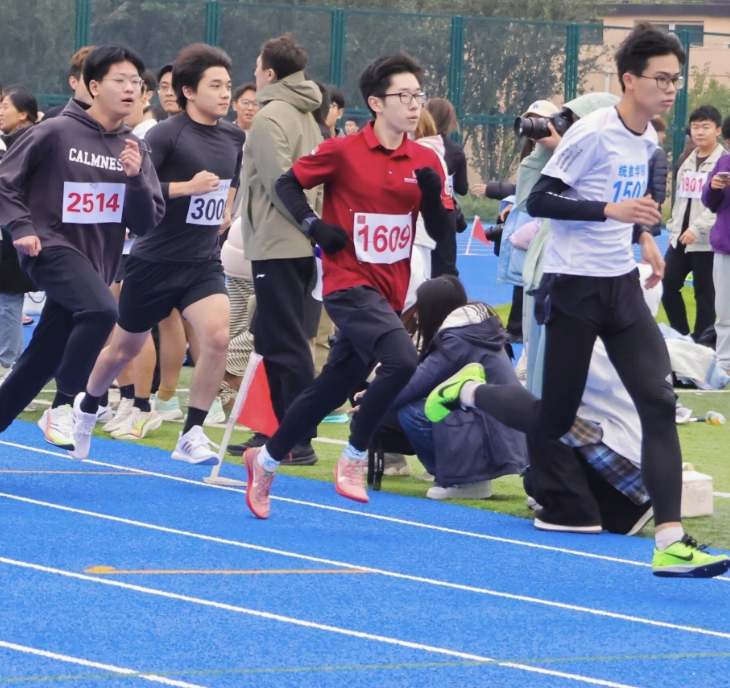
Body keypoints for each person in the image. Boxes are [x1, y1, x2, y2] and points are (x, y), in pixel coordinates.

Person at [425, 23, 730, 578]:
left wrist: (642, 235)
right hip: (572, 288)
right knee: (553, 417)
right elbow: (541, 201)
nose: (671, 89)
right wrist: (608, 212)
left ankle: (670, 540)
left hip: (621, 287)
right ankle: (467, 390)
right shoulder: (591, 133)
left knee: (658, 402)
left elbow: (629, 200)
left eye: (675, 79)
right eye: (661, 79)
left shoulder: (647, 138)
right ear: (628, 79)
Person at [243, 52, 455, 519]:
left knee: (331, 386)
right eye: (404, 95)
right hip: (347, 283)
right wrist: (314, 226)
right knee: (402, 360)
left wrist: (431, 200)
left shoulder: (426, 159)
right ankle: (355, 454)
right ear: (376, 103)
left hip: (390, 291)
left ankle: (266, 459)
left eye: (418, 95)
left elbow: (443, 232)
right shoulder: (342, 150)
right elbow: (286, 184)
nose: (414, 104)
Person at [80, 43, 243, 463]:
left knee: (217, 337)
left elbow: (232, 180)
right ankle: (87, 404)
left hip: (203, 262)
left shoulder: (234, 136)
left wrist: (226, 207)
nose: (226, 93)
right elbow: (136, 190)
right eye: (215, 85)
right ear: (189, 91)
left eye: (228, 85)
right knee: (123, 350)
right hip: (154, 262)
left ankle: (192, 433)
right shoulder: (165, 135)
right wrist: (189, 188)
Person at [0, 45, 164, 457]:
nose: (130, 89)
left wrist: (135, 180)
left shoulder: (135, 149)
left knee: (42, 356)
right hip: (50, 248)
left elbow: (146, 223)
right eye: (119, 80)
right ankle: (63, 405)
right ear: (93, 86)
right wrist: (21, 227)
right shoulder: (54, 131)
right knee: (103, 311)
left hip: (95, 264)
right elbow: (5, 181)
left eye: (136, 82)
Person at [239, 33, 324, 464]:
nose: (254, 72)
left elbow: (280, 184)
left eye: (257, 66)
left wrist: (307, 224)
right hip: (296, 240)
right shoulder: (309, 116)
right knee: (275, 338)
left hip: (279, 241)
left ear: (270, 74)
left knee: (285, 342)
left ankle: (297, 437)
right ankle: (276, 431)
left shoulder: (270, 116)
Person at [396, 276, 527, 499]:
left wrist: (373, 401)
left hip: (491, 428)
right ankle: (462, 475)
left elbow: (418, 383)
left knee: (412, 411)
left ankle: (464, 480)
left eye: (420, 308)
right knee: (411, 403)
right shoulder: (472, 329)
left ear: (435, 308)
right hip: (501, 425)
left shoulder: (458, 339)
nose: (416, 315)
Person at [662, 105, 726, 341]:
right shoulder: (687, 160)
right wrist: (674, 229)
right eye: (696, 127)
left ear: (718, 130)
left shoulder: (724, 162)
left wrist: (697, 228)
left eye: (706, 127)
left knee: (705, 296)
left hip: (707, 242)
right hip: (680, 238)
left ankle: (702, 344)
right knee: (666, 285)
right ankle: (683, 337)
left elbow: (722, 205)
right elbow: (680, 200)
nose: (699, 132)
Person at [0, 90, 39, 382]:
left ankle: (7, 364)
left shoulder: (25, 143)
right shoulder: (11, 142)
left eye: (5, 106)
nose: (1, 111)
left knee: (9, 301)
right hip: (14, 231)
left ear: (23, 114)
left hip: (17, 232)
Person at [404, 108, 450, 310]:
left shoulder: (424, 154)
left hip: (417, 233)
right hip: (420, 235)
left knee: (413, 296)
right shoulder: (436, 153)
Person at [702, 114, 730, 375]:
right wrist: (713, 186)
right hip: (725, 246)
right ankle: (725, 362)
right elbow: (710, 203)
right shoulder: (723, 162)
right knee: (725, 309)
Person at [425, 97, 464, 278]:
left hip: (418, 213)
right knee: (445, 272)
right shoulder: (455, 151)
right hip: (445, 213)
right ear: (450, 121)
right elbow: (462, 188)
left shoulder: (415, 146)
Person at [43, 46, 96, 119]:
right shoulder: (54, 116)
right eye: (90, 80)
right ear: (73, 82)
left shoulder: (111, 121)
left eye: (101, 80)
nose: (95, 87)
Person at [644, 115, 668, 236]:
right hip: (650, 203)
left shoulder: (638, 150)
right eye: (661, 132)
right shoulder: (658, 152)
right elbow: (659, 180)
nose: (664, 136)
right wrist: (658, 201)